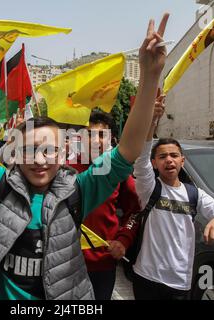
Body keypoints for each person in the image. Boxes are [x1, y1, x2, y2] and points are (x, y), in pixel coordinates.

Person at [0, 0, 169, 300]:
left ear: (63, 154)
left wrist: (150, 76)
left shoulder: (79, 190)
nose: (39, 160)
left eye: (48, 150)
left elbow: (128, 149)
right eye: (29, 150)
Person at [130, 100, 214, 300]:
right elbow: (141, 157)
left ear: (183, 160)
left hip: (180, 283)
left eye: (174, 155)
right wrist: (152, 121)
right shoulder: (149, 188)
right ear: (154, 163)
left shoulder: (195, 194)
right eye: (162, 156)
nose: (169, 160)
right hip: (146, 277)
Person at [68, 111, 141, 300]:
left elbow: (133, 212)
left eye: (102, 135)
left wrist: (123, 240)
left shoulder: (118, 172)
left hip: (102, 264)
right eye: (89, 134)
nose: (95, 141)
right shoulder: (62, 169)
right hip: (63, 263)